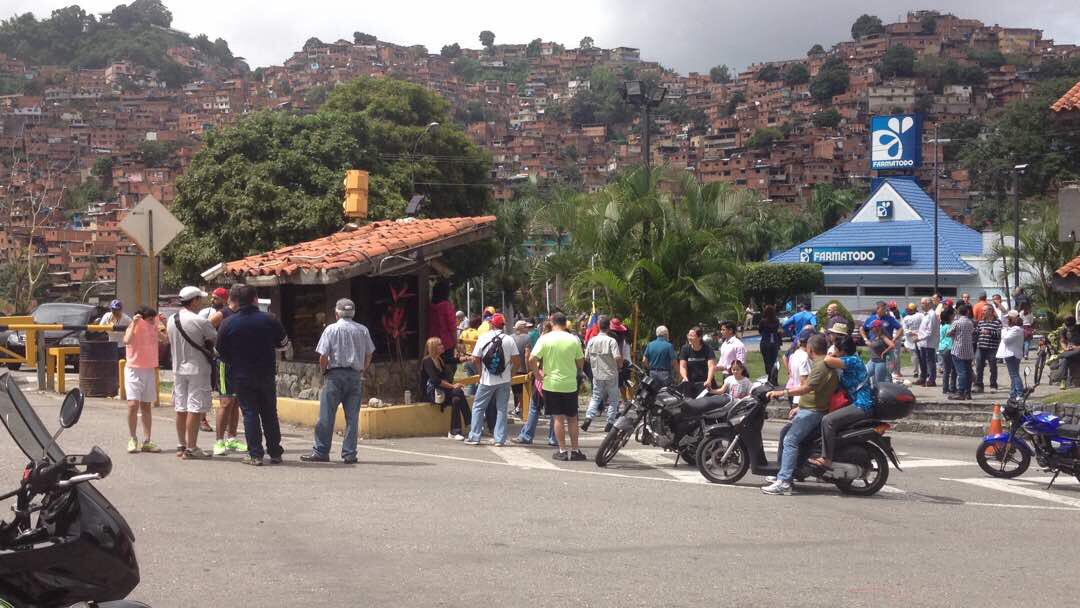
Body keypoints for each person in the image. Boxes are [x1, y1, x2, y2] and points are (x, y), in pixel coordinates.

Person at [216, 284, 290, 466]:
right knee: (270, 413)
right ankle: (275, 452)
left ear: (234, 301)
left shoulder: (228, 323)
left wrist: (233, 360)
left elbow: (219, 352)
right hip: (266, 373)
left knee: (250, 413)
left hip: (241, 375)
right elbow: (284, 344)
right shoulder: (270, 319)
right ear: (255, 299)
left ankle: (255, 454)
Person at [299, 299, 376, 464]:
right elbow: (369, 353)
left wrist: (324, 371)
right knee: (352, 417)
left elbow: (323, 356)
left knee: (326, 416)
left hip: (335, 375)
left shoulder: (331, 329)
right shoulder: (363, 330)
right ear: (353, 313)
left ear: (336, 313)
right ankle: (349, 454)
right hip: (355, 376)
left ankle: (321, 451)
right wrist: (362, 368)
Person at [763, 334, 837, 495]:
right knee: (784, 433)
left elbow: (806, 389)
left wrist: (782, 392)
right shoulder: (821, 364)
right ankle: (783, 472)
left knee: (791, 440)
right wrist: (800, 407)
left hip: (813, 412)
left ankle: (784, 482)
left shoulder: (821, 366)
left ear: (810, 349)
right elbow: (813, 392)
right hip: (809, 409)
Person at [167, 286, 217, 460]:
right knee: (194, 409)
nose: (201, 302)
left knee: (181, 407)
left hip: (178, 369)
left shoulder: (171, 319)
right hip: (197, 369)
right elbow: (214, 339)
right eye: (200, 299)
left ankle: (181, 445)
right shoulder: (200, 321)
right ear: (194, 300)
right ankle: (192, 447)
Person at [810, 334, 874, 468]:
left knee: (828, 420)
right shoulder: (850, 361)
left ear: (842, 351)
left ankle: (826, 458)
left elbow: (826, 360)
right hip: (855, 403)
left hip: (861, 405)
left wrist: (831, 354)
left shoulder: (852, 361)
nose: (834, 351)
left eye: (836, 349)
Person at [529, 312, 586, 461]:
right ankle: (575, 450)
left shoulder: (545, 339)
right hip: (569, 384)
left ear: (552, 322)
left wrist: (537, 374)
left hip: (551, 383)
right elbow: (580, 362)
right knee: (573, 418)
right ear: (565, 322)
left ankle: (562, 450)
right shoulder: (573, 339)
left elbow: (531, 358)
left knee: (558, 418)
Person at [465, 314, 520, 446]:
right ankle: (499, 439)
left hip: (486, 380)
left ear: (491, 324)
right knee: (501, 408)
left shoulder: (483, 337)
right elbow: (517, 361)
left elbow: (475, 359)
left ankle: (475, 436)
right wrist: (510, 375)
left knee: (478, 407)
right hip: (504, 380)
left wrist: (480, 374)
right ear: (503, 325)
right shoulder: (509, 339)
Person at [202, 287, 244, 455]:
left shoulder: (242, 314)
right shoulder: (222, 314)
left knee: (235, 403)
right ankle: (219, 441)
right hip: (224, 363)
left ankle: (232, 438)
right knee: (226, 402)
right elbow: (206, 331)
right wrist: (215, 348)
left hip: (240, 362)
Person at [123, 306, 167, 454]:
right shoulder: (133, 326)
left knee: (146, 406)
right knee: (132, 404)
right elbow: (126, 340)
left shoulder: (153, 327)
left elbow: (165, 340)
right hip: (133, 369)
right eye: (148, 319)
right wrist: (135, 324)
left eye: (152, 319)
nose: (150, 322)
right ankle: (132, 438)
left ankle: (147, 441)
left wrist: (162, 325)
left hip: (149, 369)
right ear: (141, 318)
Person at [512, 321, 557, 447]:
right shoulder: (562, 340)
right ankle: (554, 438)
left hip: (543, 378)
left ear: (543, 330)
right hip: (558, 379)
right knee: (555, 411)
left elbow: (531, 358)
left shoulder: (543, 340)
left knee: (534, 408)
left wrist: (534, 373)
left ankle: (527, 435)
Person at [422, 337, 470, 440]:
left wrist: (466, 358)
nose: (442, 346)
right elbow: (436, 380)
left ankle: (454, 432)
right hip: (433, 393)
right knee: (458, 391)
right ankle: (470, 423)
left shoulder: (439, 358)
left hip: (443, 392)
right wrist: (453, 386)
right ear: (433, 347)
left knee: (456, 399)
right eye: (439, 345)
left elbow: (453, 360)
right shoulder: (427, 361)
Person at [581, 316, 622, 433]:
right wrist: (620, 365)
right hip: (611, 374)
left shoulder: (592, 341)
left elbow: (586, 358)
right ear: (609, 327)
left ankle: (588, 418)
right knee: (614, 400)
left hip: (597, 374)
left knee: (595, 397)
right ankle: (610, 422)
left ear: (598, 326)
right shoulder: (611, 341)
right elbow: (617, 357)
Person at [428, 281, 459, 380]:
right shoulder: (446, 306)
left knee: (435, 369)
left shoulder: (430, 306)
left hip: (433, 343)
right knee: (448, 369)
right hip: (446, 345)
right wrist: (456, 344)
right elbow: (452, 327)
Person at [948, 303, 976, 401]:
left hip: (958, 349)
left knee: (961, 372)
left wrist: (954, 333)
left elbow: (948, 333)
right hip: (968, 349)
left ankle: (961, 392)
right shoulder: (970, 322)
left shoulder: (957, 322)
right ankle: (968, 393)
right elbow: (972, 332)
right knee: (968, 372)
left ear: (958, 312)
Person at [997, 311, 1026, 401]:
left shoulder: (1015, 329)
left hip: (1012, 354)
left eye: (1008, 319)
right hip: (1011, 353)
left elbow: (1006, 339)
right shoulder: (1014, 329)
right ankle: (1013, 393)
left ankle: (1020, 393)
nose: (1006, 320)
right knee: (1013, 375)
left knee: (1014, 375)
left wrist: (1004, 330)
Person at [678, 326, 716, 394]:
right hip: (691, 383)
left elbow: (711, 366)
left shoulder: (707, 348)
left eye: (692, 336)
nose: (689, 337)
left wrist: (709, 380)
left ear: (699, 337)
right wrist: (685, 377)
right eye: (688, 335)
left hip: (706, 383)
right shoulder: (685, 349)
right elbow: (682, 366)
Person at [973, 305, 1002, 393]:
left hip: (992, 348)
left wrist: (989, 332)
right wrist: (975, 331)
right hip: (981, 347)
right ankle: (979, 385)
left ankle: (993, 385)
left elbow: (1000, 334)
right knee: (979, 367)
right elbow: (977, 331)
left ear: (990, 311)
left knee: (992, 367)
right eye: (983, 310)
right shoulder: (981, 322)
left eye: (984, 310)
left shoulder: (997, 322)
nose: (983, 312)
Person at [785, 327, 814, 406]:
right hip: (804, 400)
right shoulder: (805, 357)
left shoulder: (795, 354)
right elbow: (804, 381)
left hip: (797, 397)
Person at [510, 320, 533, 415]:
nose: (528, 329)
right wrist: (529, 370)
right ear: (521, 328)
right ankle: (524, 412)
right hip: (523, 369)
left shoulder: (510, 337)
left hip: (512, 369)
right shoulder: (527, 338)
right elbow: (527, 355)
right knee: (525, 393)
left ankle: (518, 409)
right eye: (526, 327)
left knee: (517, 393)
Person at [916, 297, 940, 387]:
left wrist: (919, 338)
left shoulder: (932, 315)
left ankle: (931, 380)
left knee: (930, 361)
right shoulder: (925, 314)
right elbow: (924, 329)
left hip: (929, 343)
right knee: (923, 361)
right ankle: (923, 377)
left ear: (929, 304)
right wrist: (916, 334)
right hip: (922, 342)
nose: (921, 304)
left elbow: (930, 331)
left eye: (923, 303)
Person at [865, 320, 894, 389]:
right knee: (864, 375)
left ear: (877, 328)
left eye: (872, 328)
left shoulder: (883, 337)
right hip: (872, 361)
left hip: (880, 362)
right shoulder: (875, 336)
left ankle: (881, 395)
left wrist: (884, 352)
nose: (871, 329)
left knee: (879, 382)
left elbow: (892, 345)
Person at [757, 306, 783, 385]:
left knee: (767, 362)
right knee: (773, 362)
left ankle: (769, 379)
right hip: (774, 341)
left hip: (765, 342)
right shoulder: (776, 321)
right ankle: (774, 379)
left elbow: (760, 331)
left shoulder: (763, 321)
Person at [901, 303, 922, 378]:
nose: (907, 311)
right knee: (916, 357)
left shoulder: (918, 316)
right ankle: (917, 371)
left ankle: (917, 371)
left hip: (916, 338)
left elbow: (905, 329)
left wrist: (911, 332)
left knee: (916, 357)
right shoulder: (921, 315)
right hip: (916, 338)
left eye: (909, 309)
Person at [939, 307, 956, 396]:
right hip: (949, 348)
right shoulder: (949, 326)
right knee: (952, 370)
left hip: (942, 348)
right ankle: (951, 388)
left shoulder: (942, 326)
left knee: (946, 369)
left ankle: (945, 388)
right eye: (953, 314)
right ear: (950, 316)